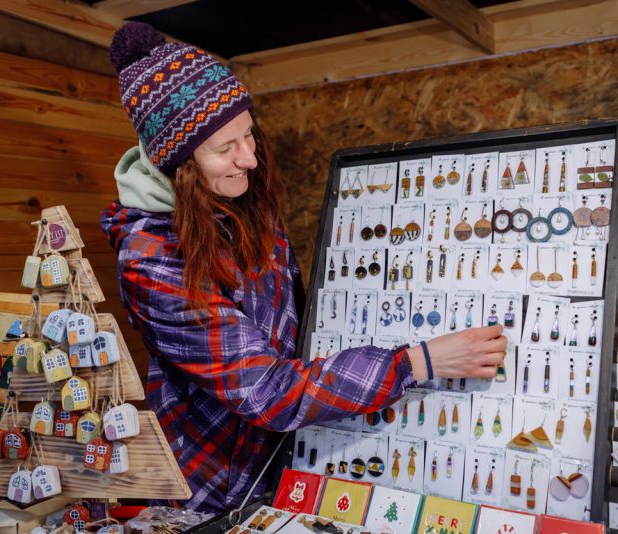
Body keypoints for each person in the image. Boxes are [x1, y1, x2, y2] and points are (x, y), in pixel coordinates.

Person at [100, 22, 506, 514]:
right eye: (225, 148)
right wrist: (416, 362)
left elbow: (295, 315)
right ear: (177, 163)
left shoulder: (240, 199)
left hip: (289, 453)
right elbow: (265, 390)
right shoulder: (150, 261)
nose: (249, 158)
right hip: (212, 484)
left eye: (248, 134)